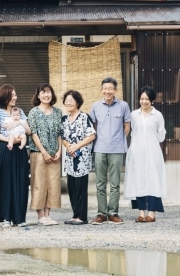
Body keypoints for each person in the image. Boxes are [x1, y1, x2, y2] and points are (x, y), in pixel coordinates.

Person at [0, 84, 31, 227]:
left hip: (20, 150)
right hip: (5, 148)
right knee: (5, 181)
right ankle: (5, 217)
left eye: (16, 95)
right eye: (13, 95)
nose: (15, 98)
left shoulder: (19, 111)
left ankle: (20, 217)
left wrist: (19, 124)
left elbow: (28, 131)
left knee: (21, 181)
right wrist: (11, 140)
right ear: (5, 96)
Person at [89, 77, 131, 225]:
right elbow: (93, 127)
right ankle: (101, 213)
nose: (107, 91)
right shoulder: (95, 106)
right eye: (105, 88)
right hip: (99, 149)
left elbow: (127, 126)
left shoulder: (123, 105)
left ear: (115, 90)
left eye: (110, 88)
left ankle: (113, 213)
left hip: (117, 149)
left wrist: (119, 140)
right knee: (100, 182)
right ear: (101, 90)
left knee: (114, 183)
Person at [123, 86, 167, 222]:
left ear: (152, 100)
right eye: (142, 99)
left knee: (153, 180)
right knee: (138, 180)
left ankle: (151, 214)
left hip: (153, 152)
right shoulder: (134, 115)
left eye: (147, 99)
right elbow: (129, 131)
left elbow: (161, 136)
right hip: (137, 152)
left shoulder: (157, 115)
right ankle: (141, 213)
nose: (144, 101)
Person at [27, 83, 63, 226]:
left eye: (48, 92)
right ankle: (40, 215)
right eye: (43, 92)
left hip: (55, 154)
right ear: (38, 95)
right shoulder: (33, 112)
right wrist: (44, 152)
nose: (46, 95)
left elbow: (60, 133)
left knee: (53, 184)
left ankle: (48, 215)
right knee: (39, 183)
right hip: (39, 153)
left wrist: (60, 150)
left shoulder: (58, 112)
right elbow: (33, 134)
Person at [61, 90, 96, 225]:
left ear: (77, 102)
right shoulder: (64, 119)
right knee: (71, 187)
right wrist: (68, 146)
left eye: (71, 100)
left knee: (81, 187)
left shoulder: (84, 117)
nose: (68, 102)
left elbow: (92, 136)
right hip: (70, 156)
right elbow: (63, 137)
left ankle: (82, 216)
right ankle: (75, 214)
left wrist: (76, 146)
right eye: (66, 100)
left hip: (82, 158)